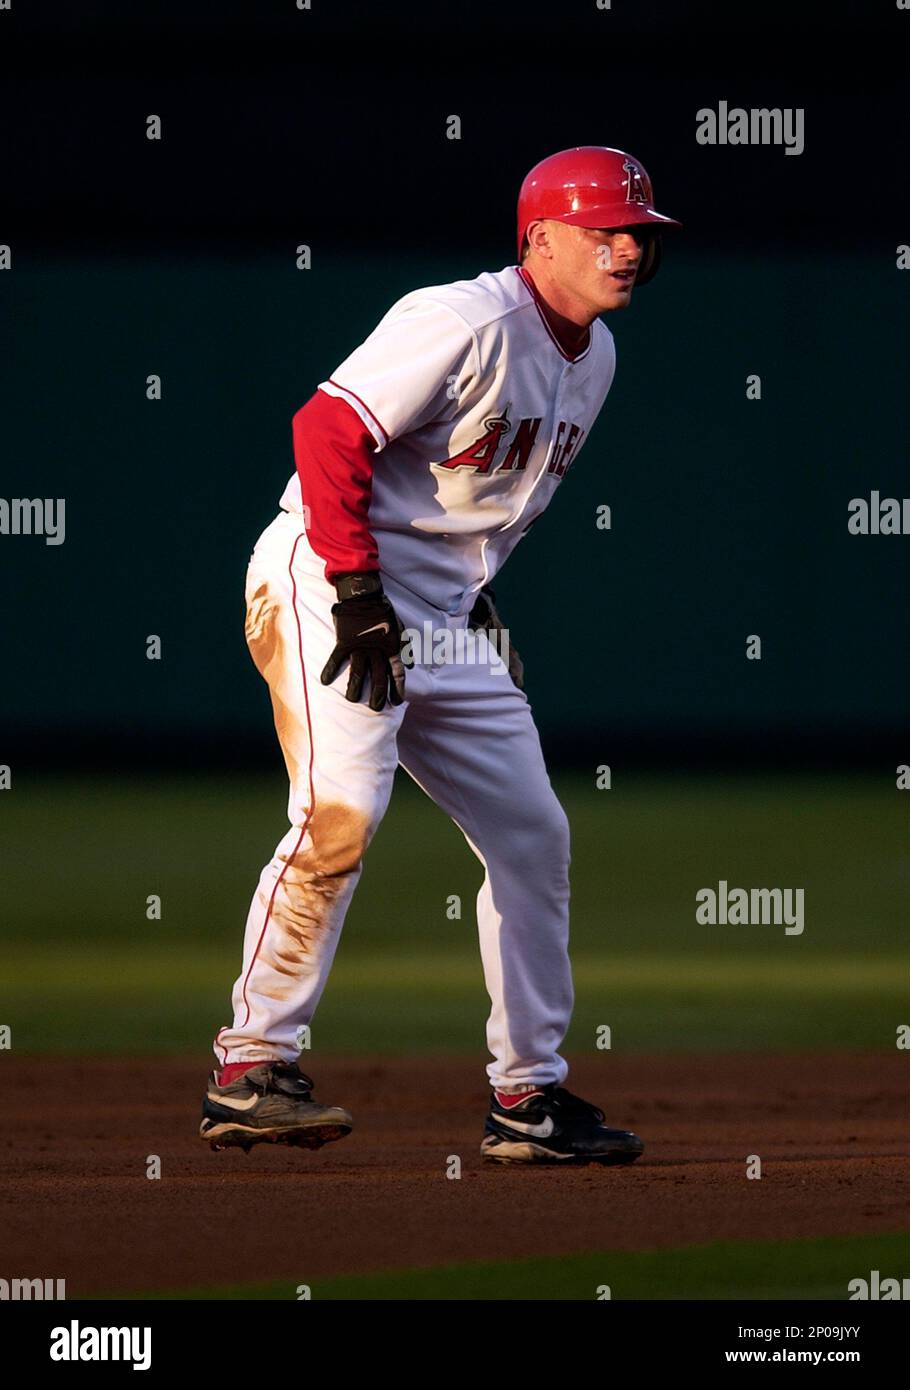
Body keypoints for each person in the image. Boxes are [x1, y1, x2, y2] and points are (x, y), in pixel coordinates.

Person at [200, 146, 679, 1164]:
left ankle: (529, 1097)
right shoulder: (462, 318)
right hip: (331, 578)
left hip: (442, 608)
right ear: (538, 239)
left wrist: (474, 598)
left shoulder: (594, 357)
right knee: (341, 813)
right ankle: (250, 1067)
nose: (628, 249)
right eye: (605, 231)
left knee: (531, 833)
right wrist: (357, 587)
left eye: (637, 232)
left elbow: (482, 506)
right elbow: (326, 429)